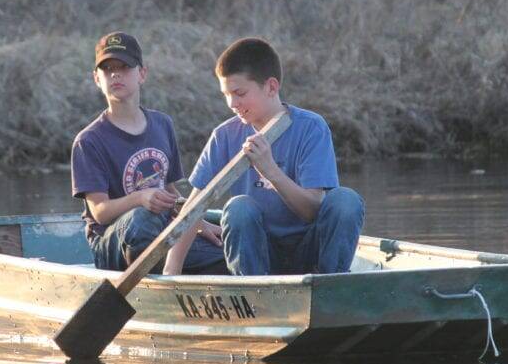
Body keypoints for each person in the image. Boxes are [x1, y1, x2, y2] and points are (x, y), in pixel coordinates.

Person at [164, 37, 365, 276]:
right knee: (238, 208)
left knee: (345, 200)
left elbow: (312, 210)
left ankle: (331, 288)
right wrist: (171, 268)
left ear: (271, 87)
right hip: (258, 253)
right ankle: (253, 293)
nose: (232, 103)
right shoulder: (225, 135)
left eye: (239, 93)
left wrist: (271, 171)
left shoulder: (311, 127)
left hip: (309, 250)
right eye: (226, 94)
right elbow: (193, 208)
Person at [71, 31, 227, 274]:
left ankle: (176, 270)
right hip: (113, 244)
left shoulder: (162, 124)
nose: (115, 74)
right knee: (142, 218)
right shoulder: (89, 141)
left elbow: (171, 193)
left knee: (229, 236)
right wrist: (140, 198)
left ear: (142, 74)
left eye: (124, 67)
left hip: (162, 234)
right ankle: (166, 273)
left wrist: (195, 222)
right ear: (96, 78)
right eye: (107, 68)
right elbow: (100, 213)